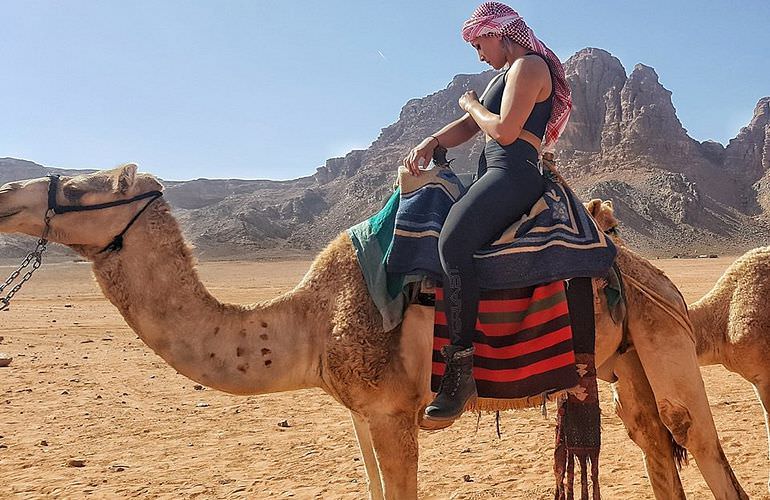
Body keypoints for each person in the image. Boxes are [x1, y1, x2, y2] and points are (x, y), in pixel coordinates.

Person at [402, 2, 573, 424]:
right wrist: (431, 141)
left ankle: (461, 373)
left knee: (453, 243)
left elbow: (503, 130)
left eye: (480, 43)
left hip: (514, 173)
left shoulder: (531, 67)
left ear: (499, 33)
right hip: (494, 171)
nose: (479, 54)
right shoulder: (507, 73)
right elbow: (468, 129)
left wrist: (472, 103)